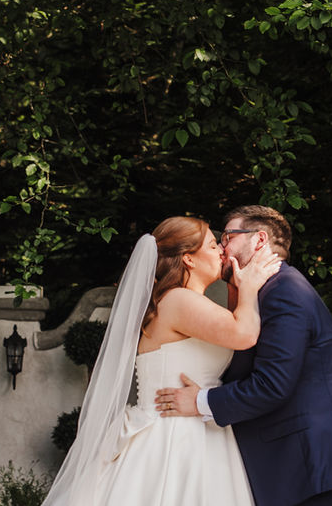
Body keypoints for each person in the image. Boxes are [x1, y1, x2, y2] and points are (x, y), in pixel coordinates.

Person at [41, 216, 281, 506]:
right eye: (212, 245)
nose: (221, 250)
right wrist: (250, 287)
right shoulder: (178, 300)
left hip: (198, 427)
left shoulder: (183, 300)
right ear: (188, 259)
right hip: (172, 435)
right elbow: (244, 334)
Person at [156, 205, 332, 506]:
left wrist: (200, 401)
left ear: (258, 240)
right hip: (287, 464)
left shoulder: (285, 291)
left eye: (228, 237)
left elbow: (272, 384)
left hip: (306, 465)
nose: (222, 247)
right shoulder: (261, 291)